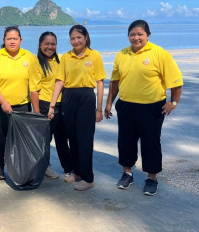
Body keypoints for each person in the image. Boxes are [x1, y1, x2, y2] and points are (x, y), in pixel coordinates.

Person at [104, 20, 183, 196]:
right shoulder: (121, 54)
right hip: (126, 105)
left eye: (140, 34)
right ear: (128, 36)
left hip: (152, 107)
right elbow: (115, 82)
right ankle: (127, 174)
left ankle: (151, 178)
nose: (136, 37)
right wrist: (109, 103)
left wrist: (173, 102)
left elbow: (176, 81)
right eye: (132, 34)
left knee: (151, 142)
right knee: (126, 141)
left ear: (147, 35)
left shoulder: (159, 54)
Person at [48, 25, 106, 191]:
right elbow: (60, 81)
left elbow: (100, 82)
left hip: (87, 97)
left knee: (85, 138)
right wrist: (52, 105)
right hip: (68, 97)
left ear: (86, 37)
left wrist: (99, 108)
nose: (76, 41)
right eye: (73, 38)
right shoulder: (66, 57)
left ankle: (88, 178)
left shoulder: (94, 56)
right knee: (72, 137)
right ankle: (77, 172)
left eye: (79, 37)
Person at [0, 26, 37, 180]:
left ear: (21, 40)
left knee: (21, 138)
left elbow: (36, 83)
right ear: (4, 40)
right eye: (9, 38)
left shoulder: (30, 57)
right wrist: (4, 103)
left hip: (22, 105)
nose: (12, 41)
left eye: (15, 38)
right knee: (1, 136)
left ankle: (19, 166)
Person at [29, 31, 69, 179]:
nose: (50, 47)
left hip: (61, 104)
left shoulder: (59, 61)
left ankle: (68, 167)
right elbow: (34, 90)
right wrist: (38, 114)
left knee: (62, 138)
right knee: (45, 139)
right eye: (47, 44)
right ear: (40, 45)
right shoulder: (37, 64)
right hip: (45, 104)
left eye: (53, 44)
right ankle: (45, 166)